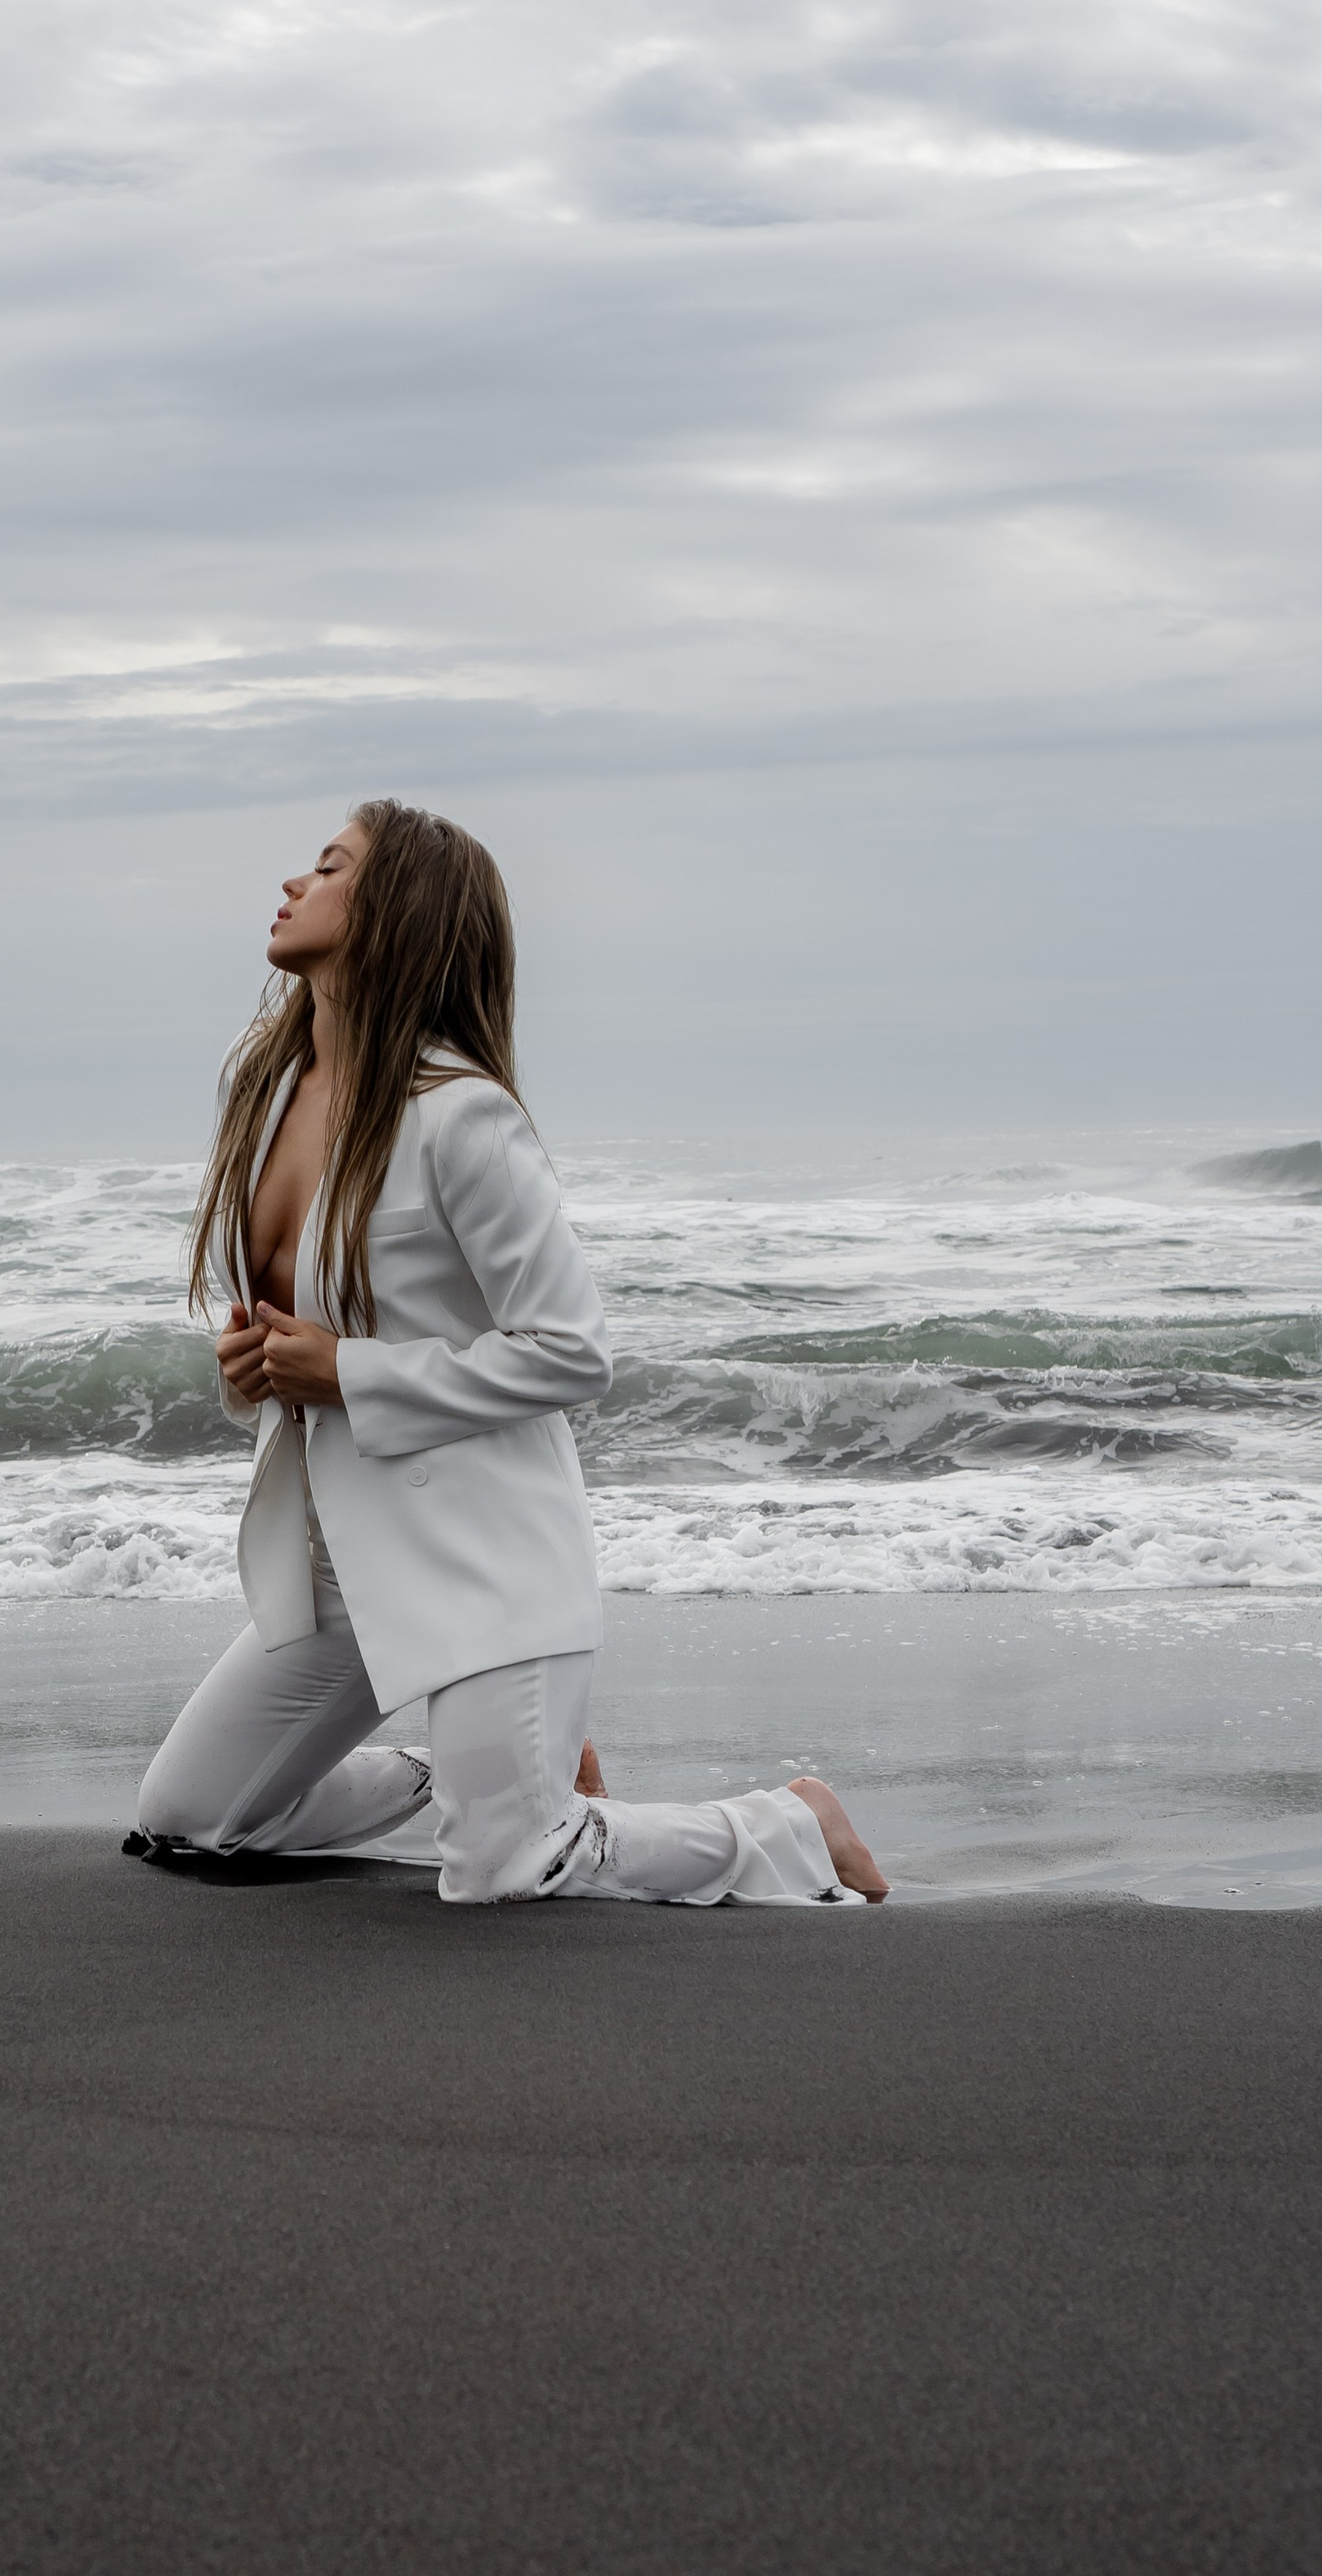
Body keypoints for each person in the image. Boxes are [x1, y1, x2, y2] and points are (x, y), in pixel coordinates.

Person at [134, 799, 888, 1907]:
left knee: (503, 1872)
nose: (294, 884)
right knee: (187, 1820)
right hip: (339, 1551)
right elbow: (306, 1316)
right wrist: (254, 1367)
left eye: (330, 868)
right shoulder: (257, 1088)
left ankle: (789, 1826)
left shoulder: (459, 1116)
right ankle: (487, 1774)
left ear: (391, 914)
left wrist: (346, 1372)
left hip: (485, 1553)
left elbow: (573, 1350)